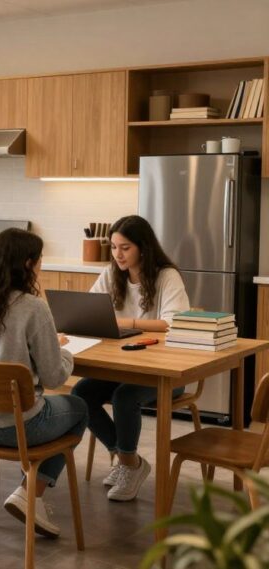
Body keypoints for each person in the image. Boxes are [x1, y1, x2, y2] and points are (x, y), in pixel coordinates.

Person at [0, 228, 87, 539]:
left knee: (48, 412)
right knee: (79, 407)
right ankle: (31, 494)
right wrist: (64, 352)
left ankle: (30, 490)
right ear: (28, 264)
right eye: (40, 260)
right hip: (18, 427)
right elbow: (54, 377)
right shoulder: (33, 307)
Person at [72, 215, 190, 502]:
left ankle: (127, 464)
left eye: (125, 248)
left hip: (166, 372)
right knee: (81, 394)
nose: (117, 255)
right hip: (122, 366)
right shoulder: (112, 274)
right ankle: (129, 462)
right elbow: (90, 309)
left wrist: (128, 322)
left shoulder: (166, 276)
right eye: (113, 247)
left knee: (125, 397)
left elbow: (174, 322)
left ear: (143, 247)